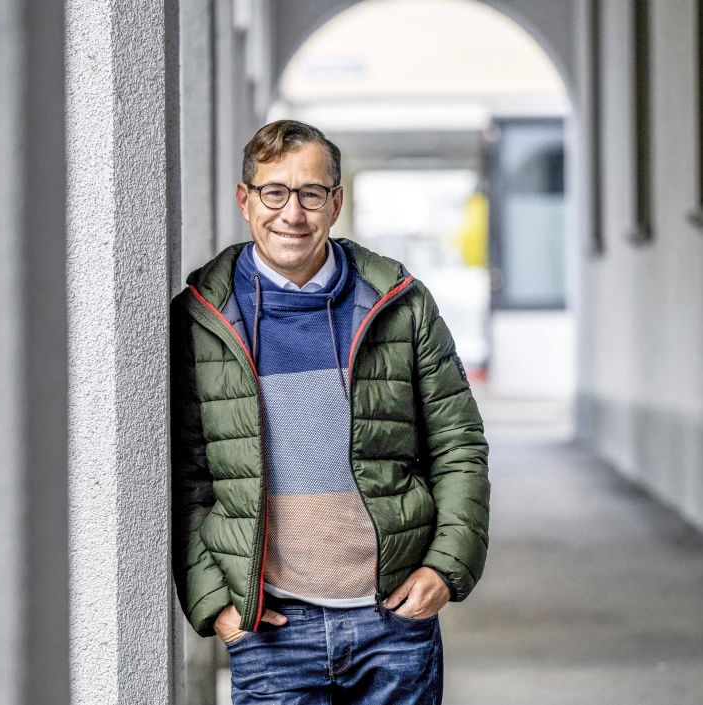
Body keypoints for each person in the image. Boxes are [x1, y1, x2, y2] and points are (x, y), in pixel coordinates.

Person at [169, 119, 490, 705]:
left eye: (311, 194)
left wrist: (446, 568)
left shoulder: (400, 304)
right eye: (274, 192)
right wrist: (215, 603)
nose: (292, 213)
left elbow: (458, 444)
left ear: (335, 202)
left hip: (393, 619)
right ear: (245, 200)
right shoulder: (201, 320)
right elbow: (184, 473)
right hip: (269, 629)